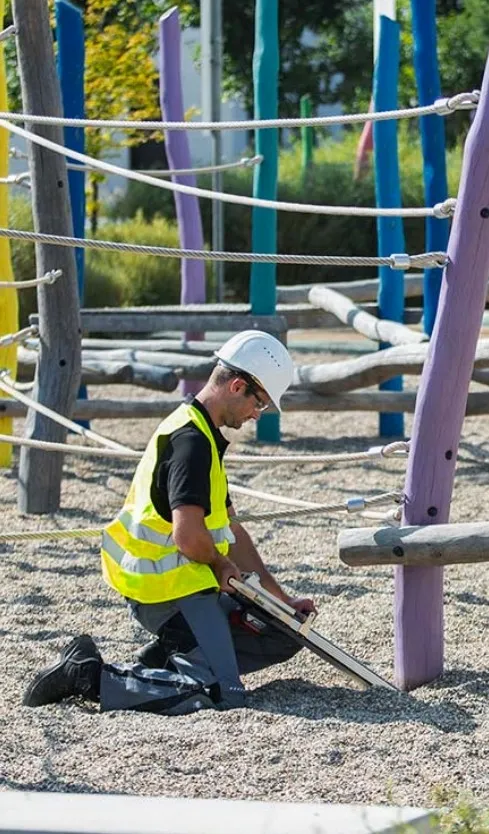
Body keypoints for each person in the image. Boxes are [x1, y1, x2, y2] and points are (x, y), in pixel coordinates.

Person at [23, 330, 316, 715]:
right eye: (258, 402)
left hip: (191, 584)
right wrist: (220, 564)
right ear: (237, 386)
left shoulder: (204, 435)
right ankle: (88, 675)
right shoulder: (191, 443)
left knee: (281, 632)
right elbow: (189, 537)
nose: (257, 414)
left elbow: (232, 531)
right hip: (167, 591)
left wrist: (281, 600)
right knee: (220, 693)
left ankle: (167, 660)